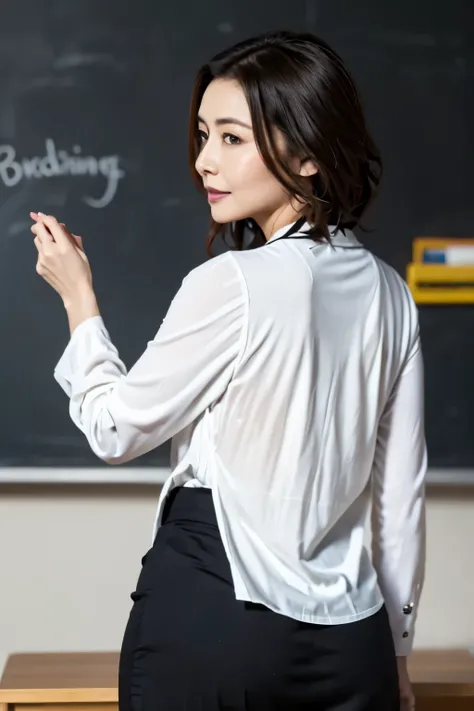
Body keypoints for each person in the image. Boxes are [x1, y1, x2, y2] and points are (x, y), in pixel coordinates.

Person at [30, 29, 426, 711]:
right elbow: (399, 503)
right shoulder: (393, 293)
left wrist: (79, 298)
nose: (205, 160)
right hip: (350, 641)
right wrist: (396, 654)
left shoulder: (233, 282)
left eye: (232, 139)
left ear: (307, 155)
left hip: (215, 616)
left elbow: (115, 428)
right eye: (204, 134)